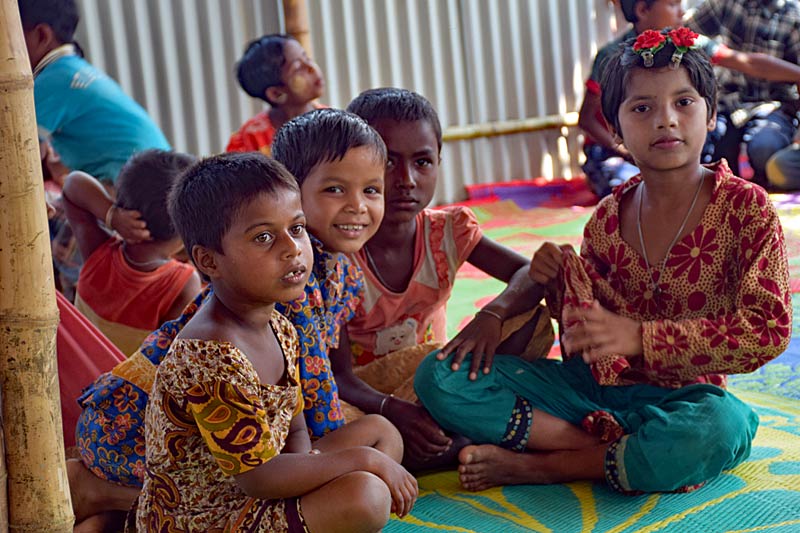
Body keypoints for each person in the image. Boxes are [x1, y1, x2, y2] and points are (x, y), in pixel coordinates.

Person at [414, 28, 791, 494]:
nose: (665, 120)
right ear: (615, 128)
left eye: (684, 102)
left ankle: (553, 465)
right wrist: (533, 289)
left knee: (725, 425)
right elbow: (581, 309)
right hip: (588, 391)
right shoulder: (609, 216)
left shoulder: (746, 208)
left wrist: (643, 338)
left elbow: (767, 329)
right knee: (439, 376)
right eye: (642, 108)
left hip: (684, 401)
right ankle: (602, 449)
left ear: (711, 114)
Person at [69, 109, 390, 530]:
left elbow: (305, 404)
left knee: (382, 436)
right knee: (367, 485)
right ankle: (109, 499)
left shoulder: (284, 296)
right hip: (136, 443)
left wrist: (335, 457)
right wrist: (348, 464)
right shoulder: (225, 337)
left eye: (371, 189)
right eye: (334, 189)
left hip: (247, 458)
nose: (357, 206)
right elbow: (269, 463)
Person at [135, 152, 416, 531]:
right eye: (264, 237)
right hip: (208, 516)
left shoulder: (280, 325)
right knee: (367, 493)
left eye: (297, 229)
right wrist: (360, 462)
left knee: (380, 432)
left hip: (261, 488)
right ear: (209, 260)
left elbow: (294, 429)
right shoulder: (210, 354)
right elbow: (258, 477)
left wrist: (314, 477)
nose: (291, 248)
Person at [338, 88, 553, 470]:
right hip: (367, 397)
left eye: (422, 162)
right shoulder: (337, 253)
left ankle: (433, 440)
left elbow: (529, 273)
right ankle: (454, 435)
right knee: (324, 423)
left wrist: (492, 315)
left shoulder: (447, 230)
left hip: (437, 382)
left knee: (530, 321)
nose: (406, 179)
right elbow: (335, 376)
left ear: (439, 160)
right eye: (388, 162)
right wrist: (396, 410)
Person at [581, 0, 800, 197]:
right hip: (613, 150)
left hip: (659, 149)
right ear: (642, 9)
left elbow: (745, 61)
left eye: (683, 102)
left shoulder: (684, 44)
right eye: (673, 5)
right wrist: (623, 149)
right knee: (627, 189)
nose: (682, 12)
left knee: (689, 182)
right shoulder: (611, 56)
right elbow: (587, 118)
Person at [63, 150, 201, 354]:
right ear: (185, 228)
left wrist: (112, 216)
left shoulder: (98, 252)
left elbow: (73, 184)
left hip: (74, 376)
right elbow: (170, 357)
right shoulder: (182, 283)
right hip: (123, 386)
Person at [19, 0, 171, 184]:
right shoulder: (72, 70)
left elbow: (16, 149)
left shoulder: (51, 81)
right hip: (162, 178)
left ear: (42, 36)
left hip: (136, 186)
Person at [686, 0, 800, 187]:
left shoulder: (793, 16)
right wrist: (717, 52)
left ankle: (761, 196)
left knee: (765, 148)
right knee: (710, 148)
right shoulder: (727, 3)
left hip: (772, 106)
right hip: (726, 102)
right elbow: (685, 34)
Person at [226, 34, 325, 155]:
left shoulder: (333, 124)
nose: (312, 68)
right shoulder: (249, 141)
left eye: (307, 58)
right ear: (276, 93)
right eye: (298, 68)